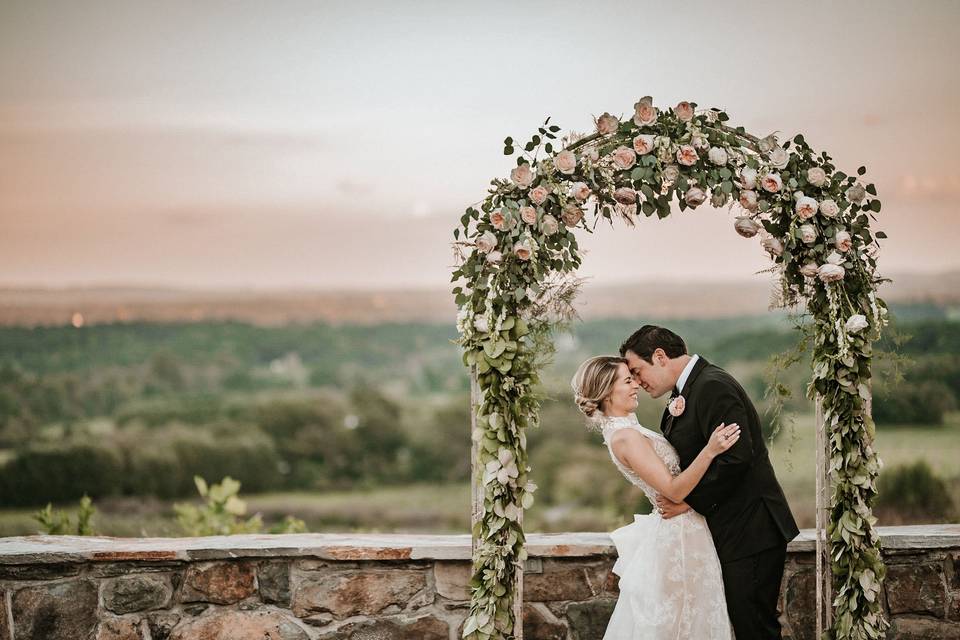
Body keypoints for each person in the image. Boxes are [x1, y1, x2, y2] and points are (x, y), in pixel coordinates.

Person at [620, 325, 800, 639]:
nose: (637, 381)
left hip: (752, 530)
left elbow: (737, 457)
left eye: (637, 370)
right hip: (732, 529)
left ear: (660, 356)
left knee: (755, 628)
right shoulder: (687, 390)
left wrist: (687, 501)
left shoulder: (713, 386)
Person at [572, 355, 739, 639]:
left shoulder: (628, 429)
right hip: (679, 538)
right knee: (683, 624)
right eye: (627, 380)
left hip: (687, 530)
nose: (636, 384)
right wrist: (710, 450)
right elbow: (672, 490)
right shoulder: (625, 437)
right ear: (607, 391)